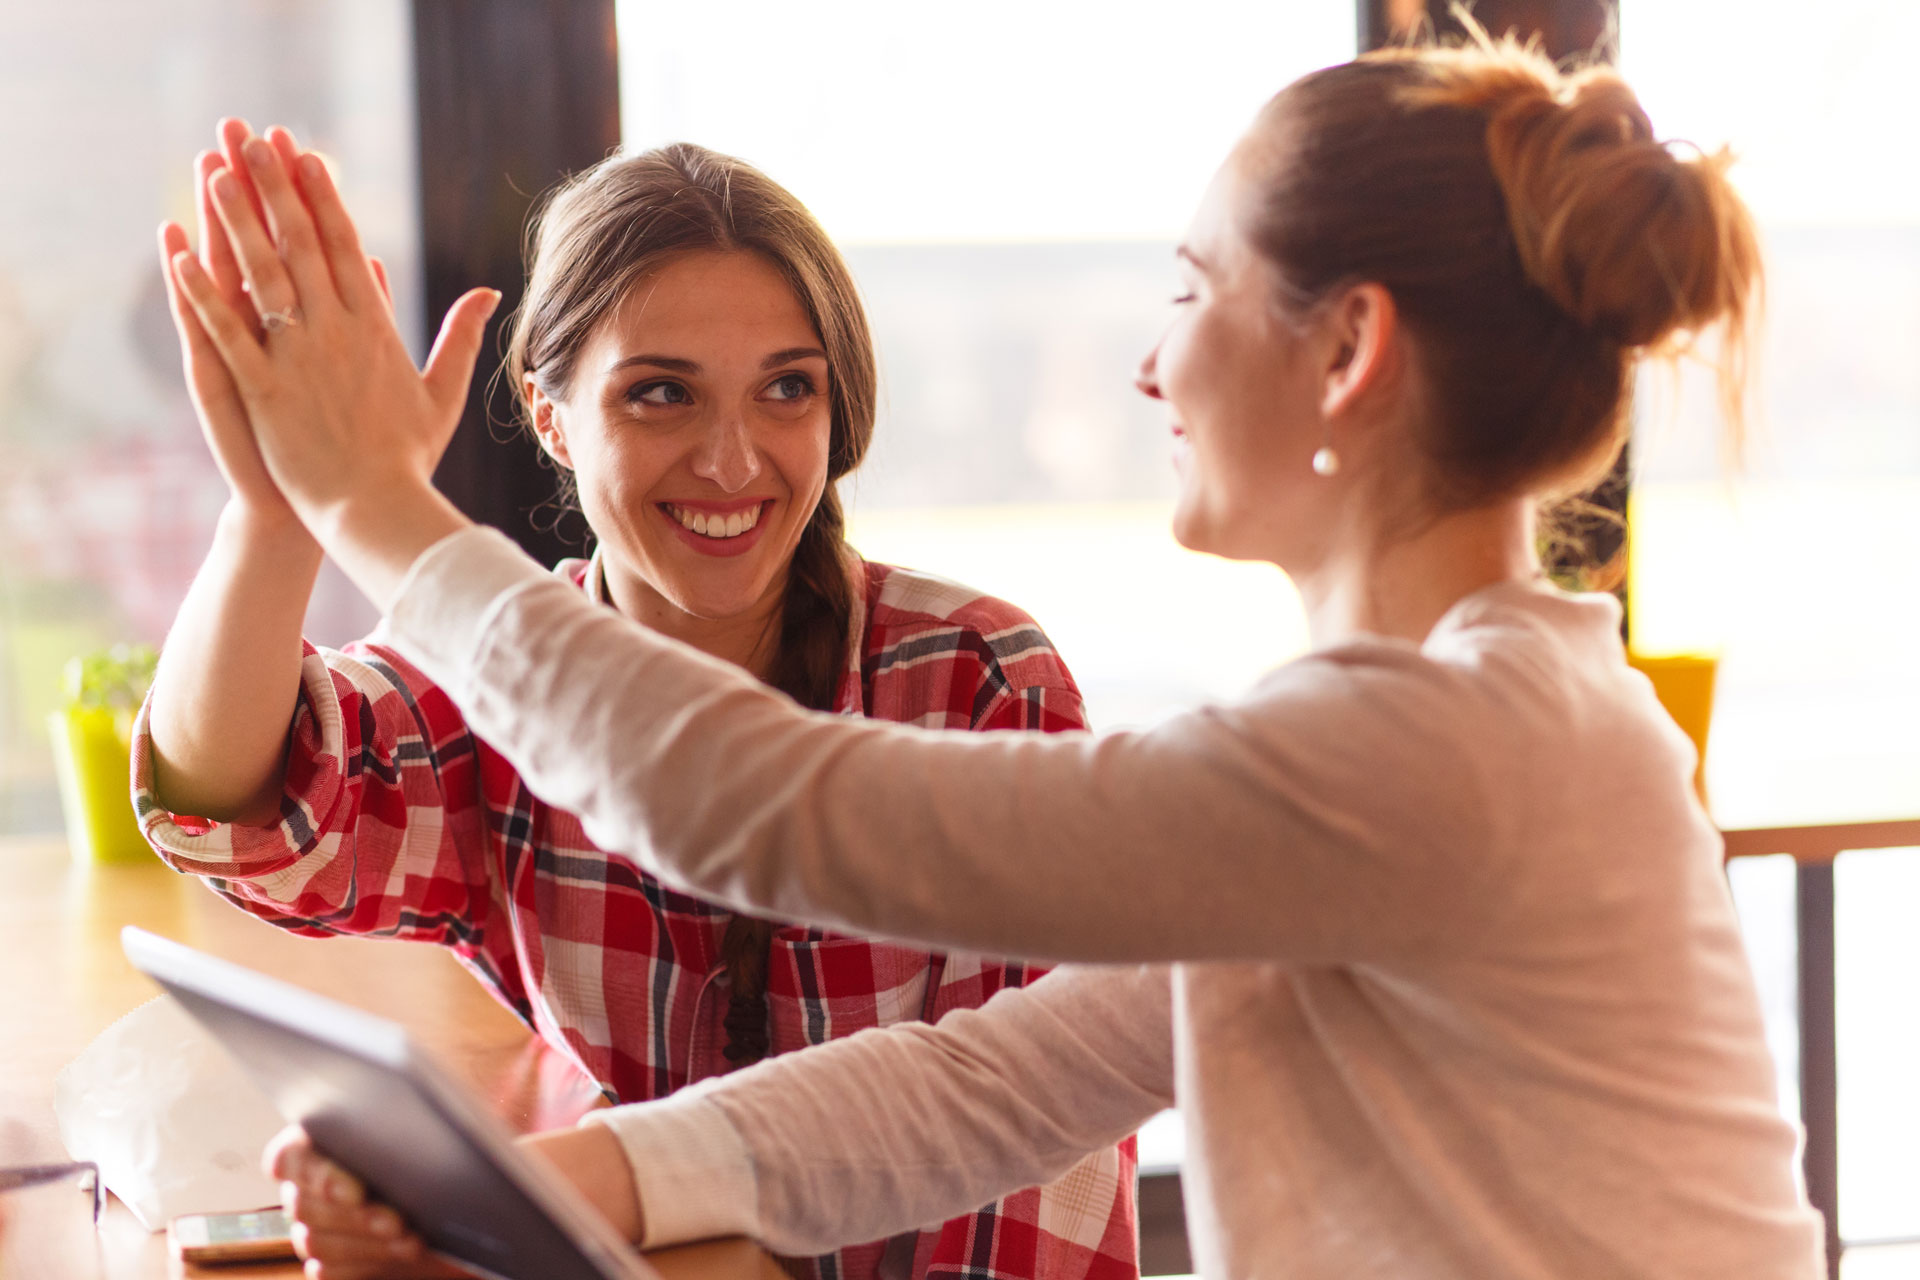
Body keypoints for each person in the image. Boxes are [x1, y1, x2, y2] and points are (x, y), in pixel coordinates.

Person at [165, 28, 1827, 1280]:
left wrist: (376, 505)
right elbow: (971, 1093)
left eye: (1193, 291)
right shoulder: (1409, 743)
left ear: (1348, 350)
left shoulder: (1444, 756)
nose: (1150, 368)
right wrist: (537, 1186)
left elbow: (762, 810)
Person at [141, 125, 1139, 1280]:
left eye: (787, 389)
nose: (732, 458)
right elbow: (234, 816)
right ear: (550, 413)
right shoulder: (493, 676)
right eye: (662, 394)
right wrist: (277, 506)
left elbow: (1037, 1160)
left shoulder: (975, 676)